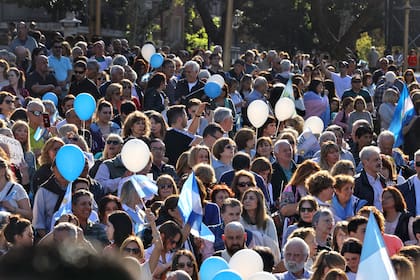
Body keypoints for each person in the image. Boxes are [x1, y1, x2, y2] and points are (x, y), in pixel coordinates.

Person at [240, 187, 280, 263]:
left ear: (259, 202)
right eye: (245, 198)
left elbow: (274, 245)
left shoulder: (268, 222)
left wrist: (259, 237)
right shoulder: (240, 221)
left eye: (251, 198)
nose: (247, 201)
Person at [272, 140, 297, 208]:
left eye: (290, 150)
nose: (288, 152)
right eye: (285, 150)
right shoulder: (271, 171)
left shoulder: (299, 170)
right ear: (276, 154)